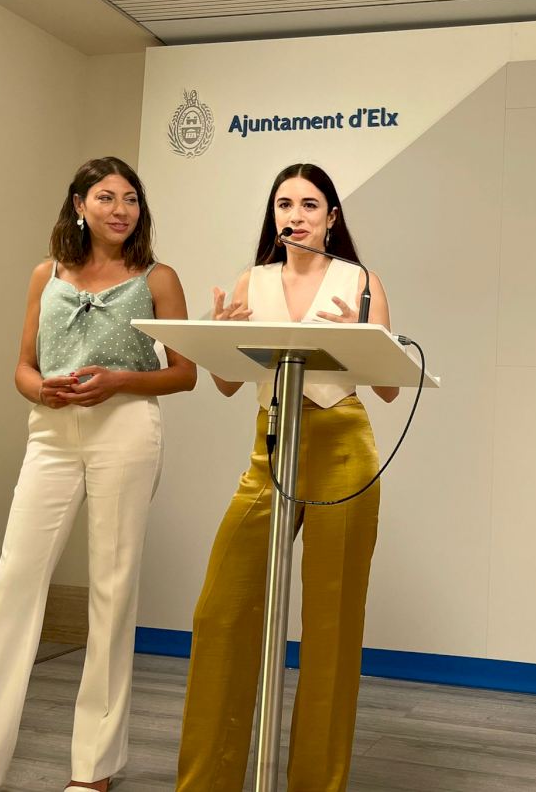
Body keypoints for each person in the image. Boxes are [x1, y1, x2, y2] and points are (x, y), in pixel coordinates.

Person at [0, 157, 196, 792]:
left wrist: (119, 381)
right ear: (79, 205)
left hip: (127, 429)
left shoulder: (158, 278)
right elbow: (23, 365)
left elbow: (185, 372)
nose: (121, 209)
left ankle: (94, 768)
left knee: (112, 591)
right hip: (51, 433)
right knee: (12, 589)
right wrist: (41, 391)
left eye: (131, 198)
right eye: (106, 197)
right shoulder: (46, 274)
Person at [175, 163, 398, 792]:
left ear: (331, 218)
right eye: (283, 204)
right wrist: (223, 339)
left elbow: (387, 388)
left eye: (308, 204)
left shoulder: (361, 282)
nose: (294, 216)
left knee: (332, 626)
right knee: (220, 613)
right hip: (270, 445)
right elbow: (227, 384)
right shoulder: (253, 280)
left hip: (342, 447)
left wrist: (364, 339)